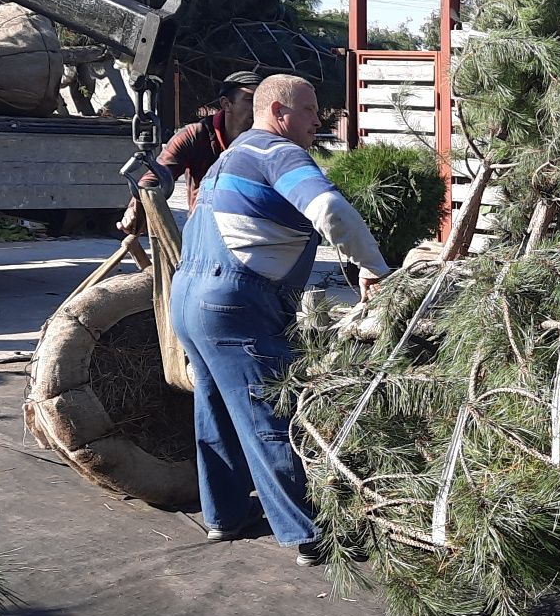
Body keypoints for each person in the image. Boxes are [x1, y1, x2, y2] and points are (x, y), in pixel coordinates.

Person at [169, 74, 393, 566]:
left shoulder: (232, 155)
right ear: (278, 112)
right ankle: (308, 535)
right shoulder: (276, 152)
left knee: (216, 411)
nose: (320, 119)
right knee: (268, 412)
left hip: (188, 298)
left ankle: (224, 516)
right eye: (311, 110)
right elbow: (329, 207)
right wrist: (376, 269)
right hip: (234, 301)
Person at [116, 71, 259, 236]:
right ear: (226, 104)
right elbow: (159, 175)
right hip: (206, 232)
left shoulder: (272, 141)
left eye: (262, 101)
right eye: (250, 100)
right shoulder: (195, 136)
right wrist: (135, 210)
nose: (258, 107)